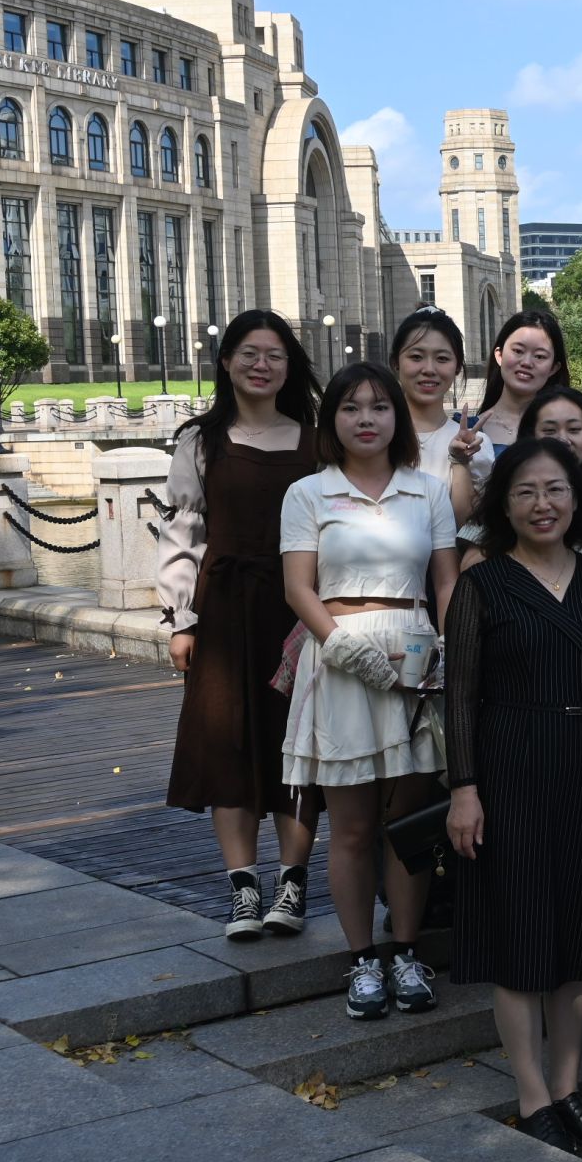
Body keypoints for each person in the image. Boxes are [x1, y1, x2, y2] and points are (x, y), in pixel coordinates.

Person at [443, 439, 582, 1153]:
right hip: (508, 766)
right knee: (519, 936)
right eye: (525, 491)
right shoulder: (483, 583)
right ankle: (532, 1094)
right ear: (504, 504)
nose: (542, 504)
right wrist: (464, 789)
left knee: (576, 941)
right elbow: (460, 697)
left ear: (577, 499)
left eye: (555, 489)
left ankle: (569, 1085)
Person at [280, 363, 458, 1021]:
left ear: (397, 418)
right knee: (352, 827)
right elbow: (298, 586)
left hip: (415, 658)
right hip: (339, 656)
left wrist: (447, 649)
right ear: (332, 419)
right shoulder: (308, 493)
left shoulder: (427, 490)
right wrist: (341, 644)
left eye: (380, 407)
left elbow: (446, 580)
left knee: (407, 822)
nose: (366, 419)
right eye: (351, 407)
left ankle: (406, 951)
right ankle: (361, 960)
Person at [159, 309, 322, 941]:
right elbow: (182, 533)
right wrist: (182, 619)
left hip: (297, 610)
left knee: (297, 745)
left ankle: (292, 885)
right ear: (226, 362)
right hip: (224, 611)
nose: (262, 365)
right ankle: (243, 890)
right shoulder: (201, 441)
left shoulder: (315, 441)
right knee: (227, 742)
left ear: (289, 366)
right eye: (249, 353)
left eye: (275, 355)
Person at [390, 306, 489, 524]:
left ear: (457, 367)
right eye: (416, 357)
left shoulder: (474, 444)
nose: (429, 369)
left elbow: (465, 529)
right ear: (395, 362)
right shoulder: (373, 436)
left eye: (442, 359)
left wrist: (461, 461)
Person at [473, 310, 570, 457]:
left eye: (539, 356)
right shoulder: (467, 430)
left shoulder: (566, 432)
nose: (526, 362)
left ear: (553, 368)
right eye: (518, 351)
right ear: (499, 355)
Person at [522, 385, 582, 492]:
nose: (562, 440)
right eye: (550, 430)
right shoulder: (514, 494)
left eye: (574, 429)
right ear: (531, 436)